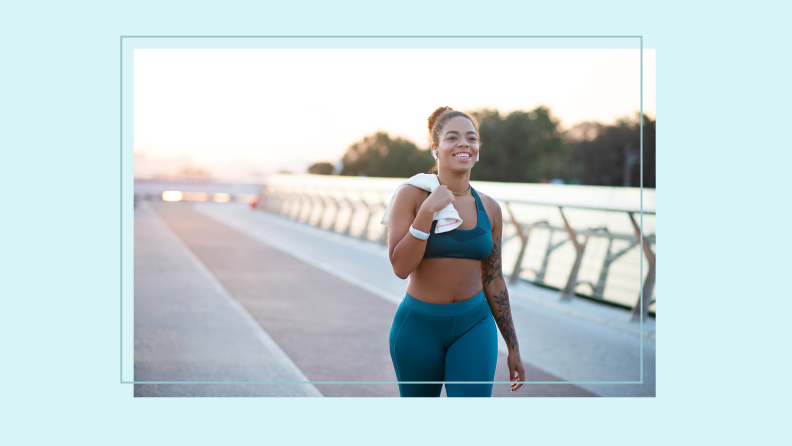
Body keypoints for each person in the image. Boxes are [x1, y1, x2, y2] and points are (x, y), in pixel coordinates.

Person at [386, 106, 525, 397]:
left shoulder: (490, 208)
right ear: (435, 149)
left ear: (477, 149)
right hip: (418, 328)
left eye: (471, 138)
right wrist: (427, 212)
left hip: (475, 324)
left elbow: (494, 279)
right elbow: (400, 267)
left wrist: (513, 347)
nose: (464, 143)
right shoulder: (411, 195)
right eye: (453, 137)